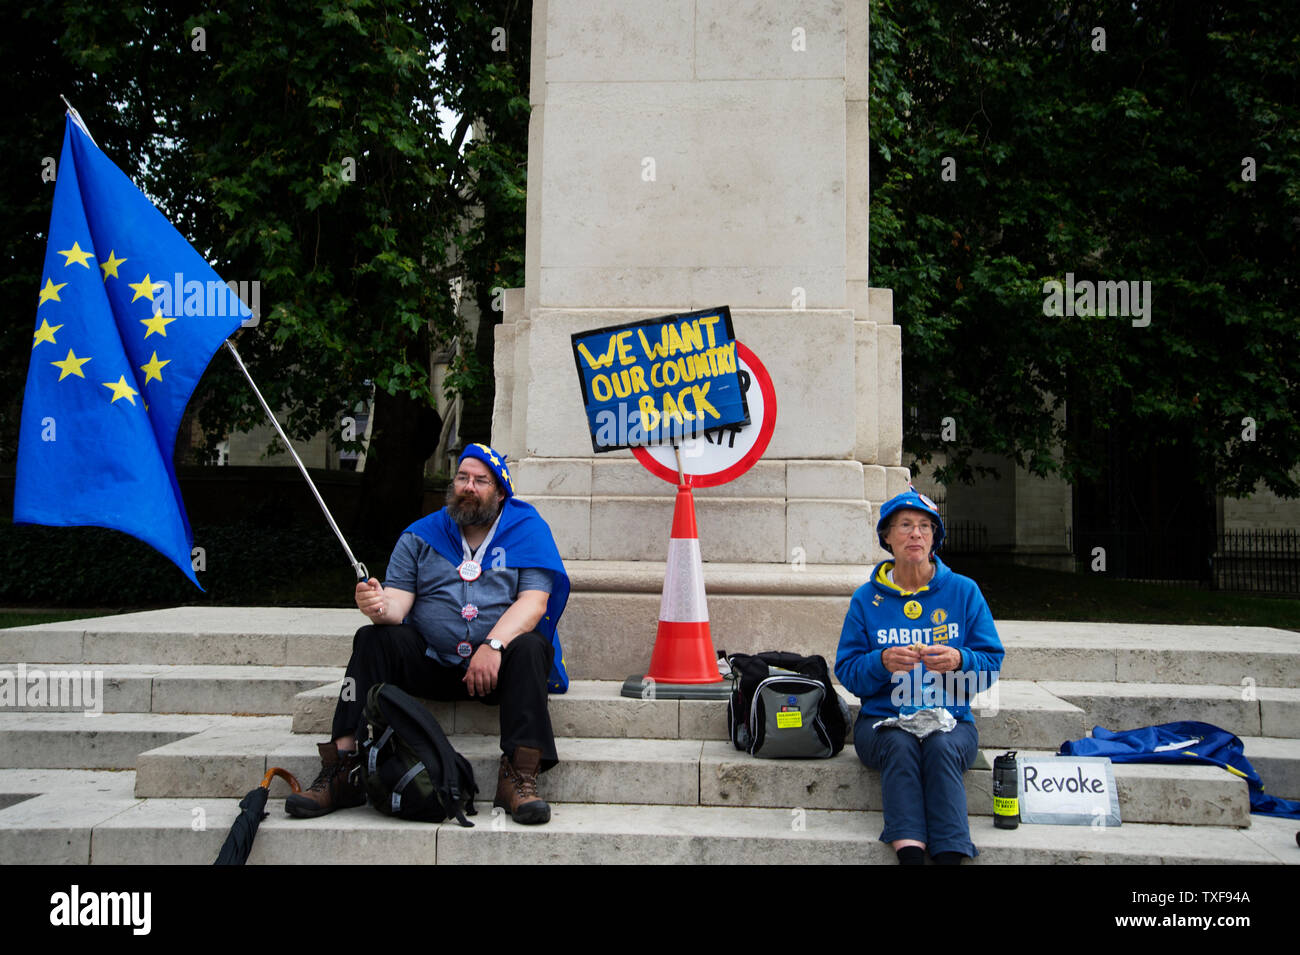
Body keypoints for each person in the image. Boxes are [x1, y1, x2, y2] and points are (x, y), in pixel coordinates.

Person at [286, 443, 570, 825]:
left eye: (480, 480)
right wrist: (377, 605)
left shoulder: (526, 530)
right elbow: (398, 607)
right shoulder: (421, 535)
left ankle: (519, 776)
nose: (468, 486)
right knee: (372, 639)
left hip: (495, 670)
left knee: (533, 647)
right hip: (432, 664)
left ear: (500, 491)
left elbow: (534, 604)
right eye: (462, 478)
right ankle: (344, 768)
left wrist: (493, 645)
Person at [835, 489, 1003, 864]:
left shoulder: (963, 591)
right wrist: (880, 662)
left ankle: (950, 854)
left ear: (934, 539)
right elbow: (847, 671)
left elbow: (991, 664)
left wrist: (961, 659)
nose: (916, 534)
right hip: (881, 723)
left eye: (925, 527)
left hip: (953, 721)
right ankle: (909, 853)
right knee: (900, 744)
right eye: (906, 526)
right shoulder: (866, 599)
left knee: (941, 747)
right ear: (888, 537)